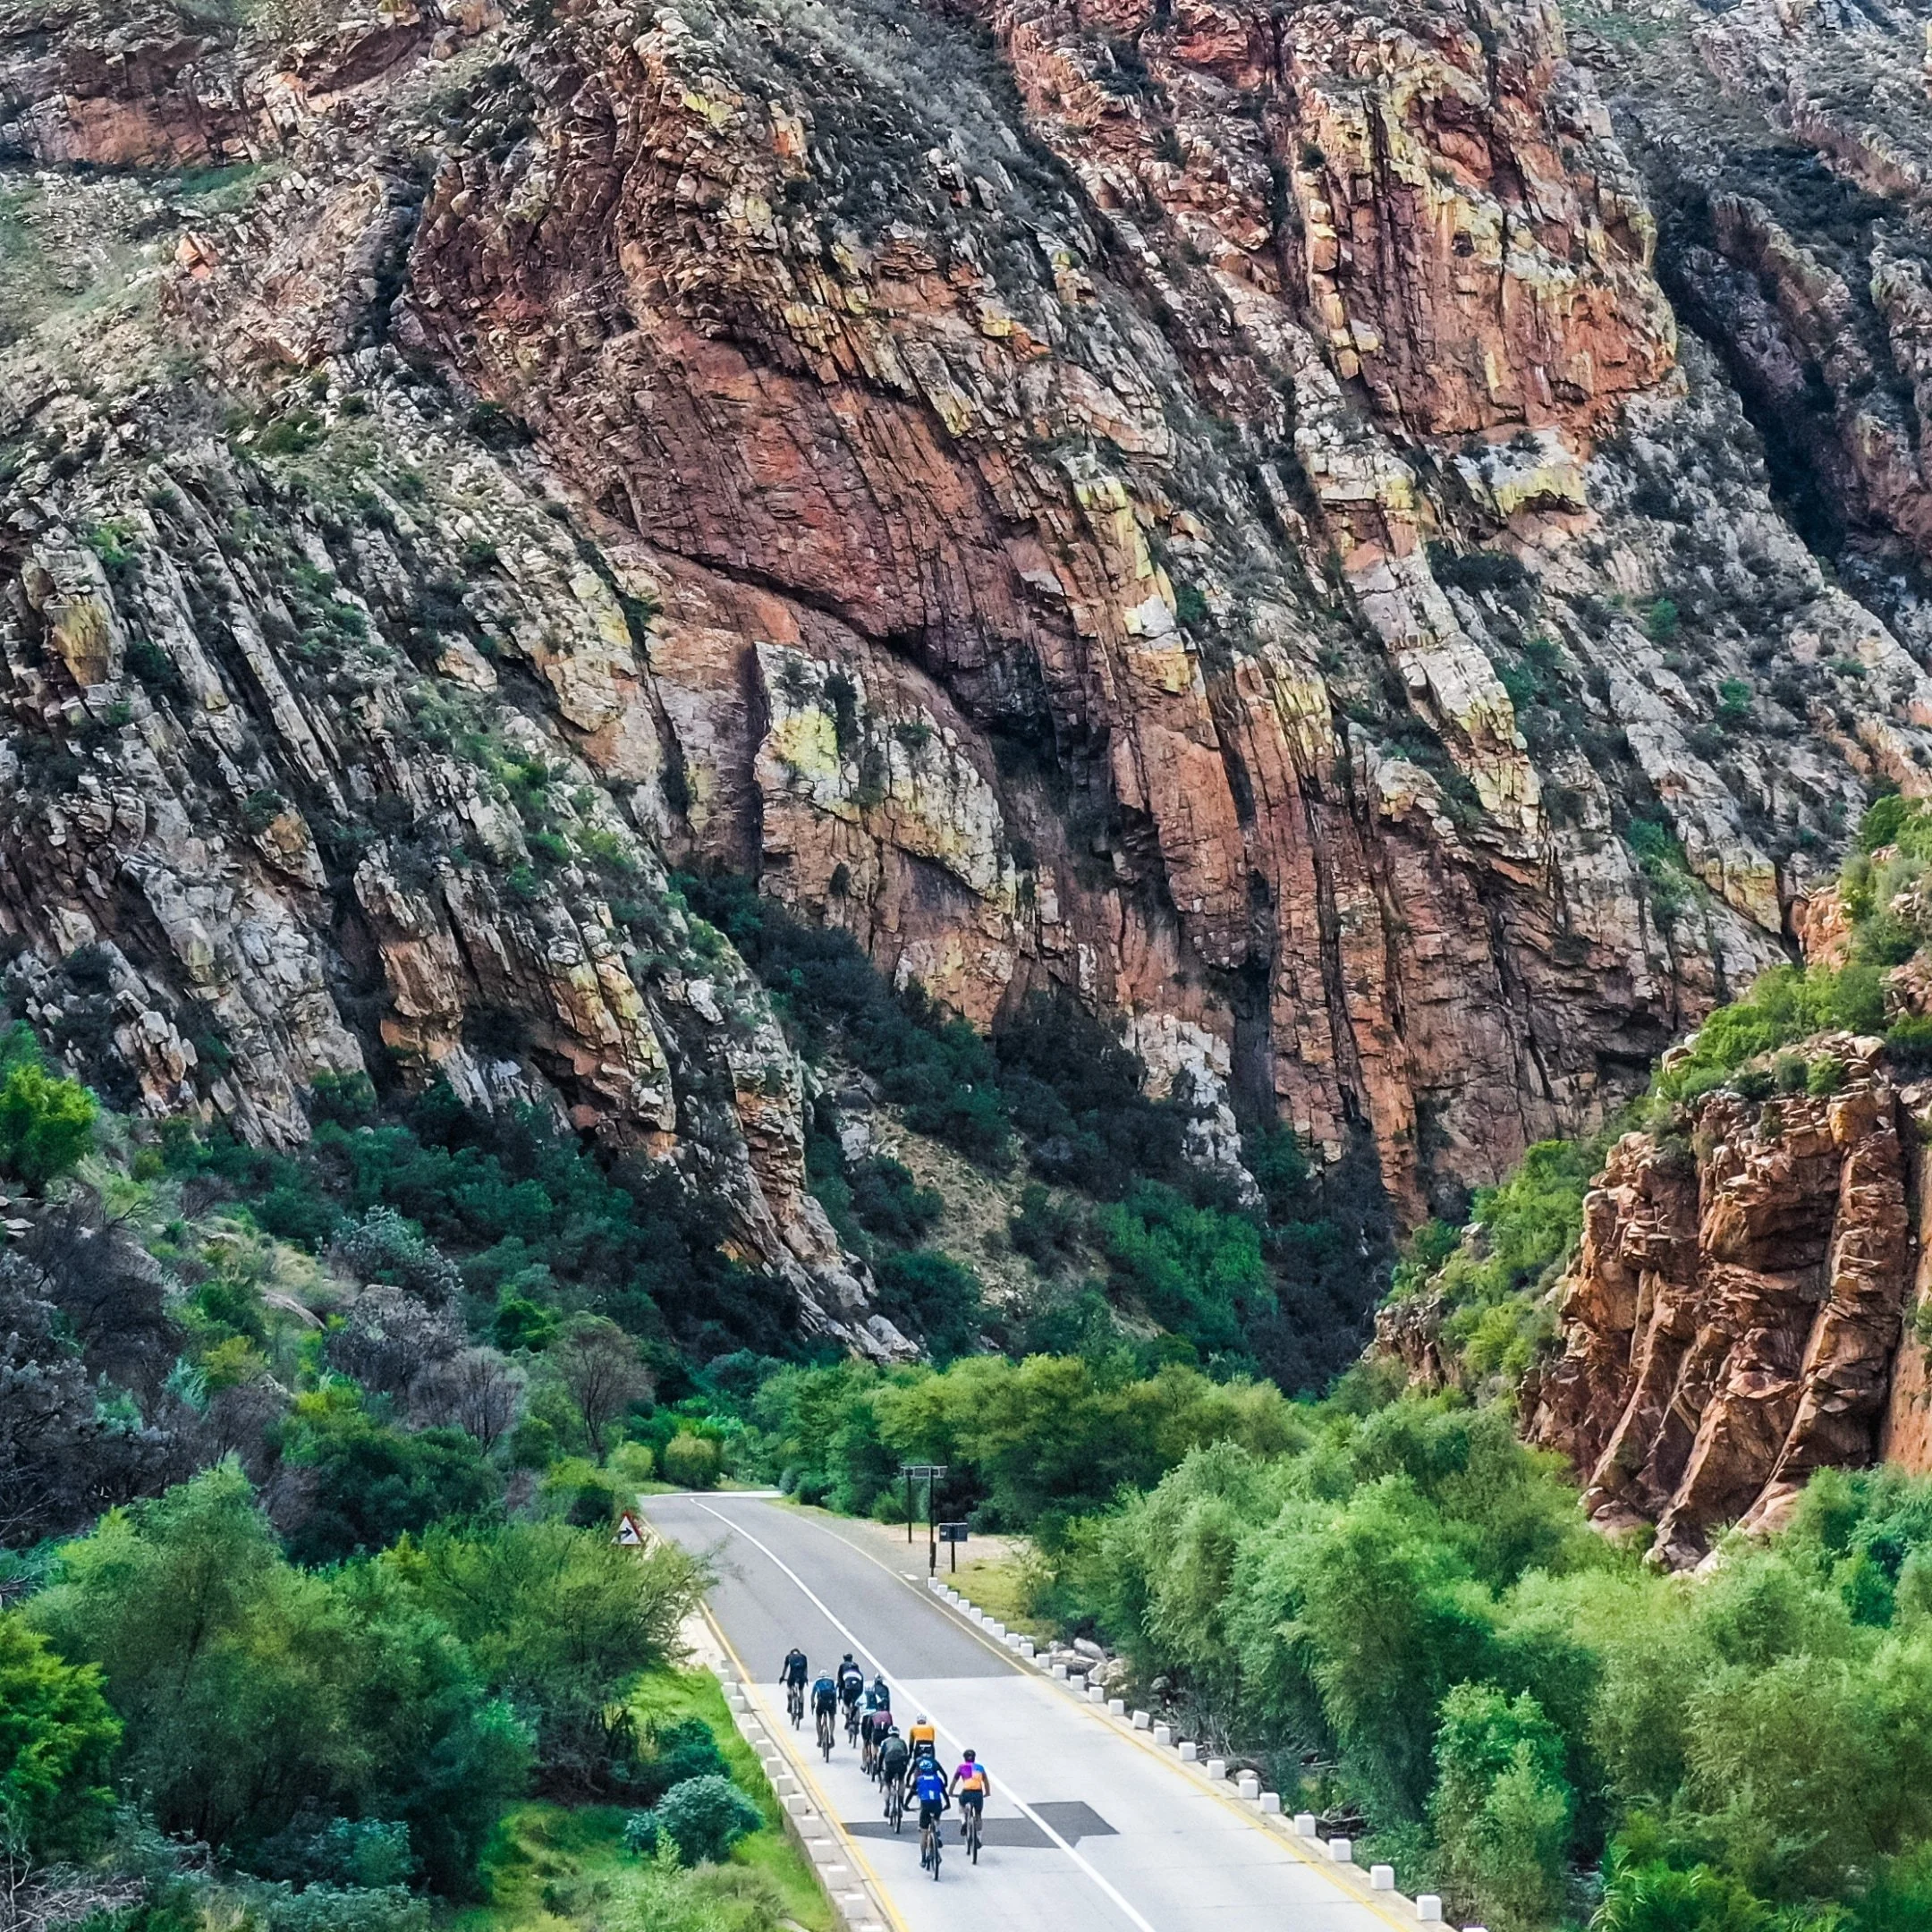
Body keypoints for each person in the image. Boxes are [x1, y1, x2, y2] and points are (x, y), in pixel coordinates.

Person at [911, 1751, 950, 1866]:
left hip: (926, 1805)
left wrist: (906, 1804)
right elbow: (944, 1794)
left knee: (924, 1833)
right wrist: (947, 1804)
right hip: (937, 1804)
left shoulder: (919, 1779)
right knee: (936, 1818)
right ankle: (936, 1830)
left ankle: (923, 1859)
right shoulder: (937, 1779)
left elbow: (911, 1793)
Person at [950, 1750, 988, 1839]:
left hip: (967, 1792)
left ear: (964, 1758)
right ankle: (979, 1837)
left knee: (961, 1805)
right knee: (978, 1814)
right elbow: (986, 1782)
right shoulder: (980, 1767)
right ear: (974, 1758)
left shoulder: (961, 1767)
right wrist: (987, 1793)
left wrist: (950, 1793)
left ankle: (964, 1821)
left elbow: (954, 1782)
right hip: (978, 1793)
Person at [877, 1724, 910, 1814]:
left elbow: (881, 1756)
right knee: (901, 1780)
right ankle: (901, 1801)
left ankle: (887, 1805)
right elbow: (907, 1755)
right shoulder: (902, 1742)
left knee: (886, 1783)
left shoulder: (885, 1742)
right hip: (901, 1762)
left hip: (889, 1762)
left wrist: (879, 1768)